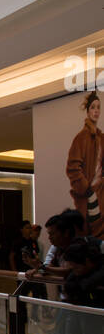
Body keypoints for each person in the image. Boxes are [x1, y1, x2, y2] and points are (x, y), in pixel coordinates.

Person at [66, 92, 104, 236]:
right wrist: (86, 189)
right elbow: (73, 168)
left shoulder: (100, 137)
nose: (96, 111)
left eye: (98, 107)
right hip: (89, 195)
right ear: (87, 111)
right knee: (93, 233)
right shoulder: (82, 138)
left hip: (100, 191)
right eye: (93, 107)